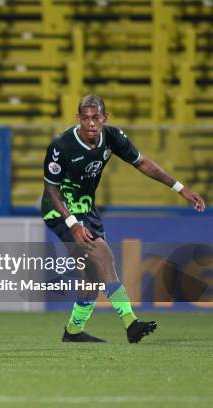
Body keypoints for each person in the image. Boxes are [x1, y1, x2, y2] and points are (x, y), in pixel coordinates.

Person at [41, 95, 206, 343]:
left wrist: (180, 188)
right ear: (78, 119)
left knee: (92, 275)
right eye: (85, 118)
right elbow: (51, 188)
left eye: (95, 118)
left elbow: (142, 163)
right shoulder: (61, 146)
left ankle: (73, 332)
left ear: (104, 118)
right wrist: (72, 223)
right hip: (60, 212)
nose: (90, 124)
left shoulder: (112, 137)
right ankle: (130, 322)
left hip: (87, 209)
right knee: (103, 255)